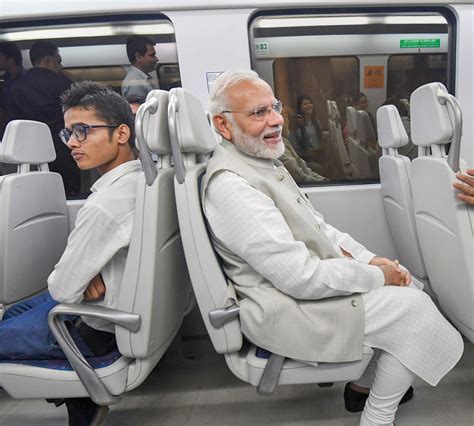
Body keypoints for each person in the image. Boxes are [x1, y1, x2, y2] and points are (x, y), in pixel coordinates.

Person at [203, 70, 463, 426]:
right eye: (258, 113)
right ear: (222, 124)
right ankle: (377, 417)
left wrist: (374, 261)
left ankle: (361, 389)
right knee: (415, 309)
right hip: (284, 309)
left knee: (411, 288)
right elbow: (298, 277)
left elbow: (321, 229)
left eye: (274, 108)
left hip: (297, 293)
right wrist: (376, 276)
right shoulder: (231, 185)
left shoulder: (260, 163)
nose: (276, 120)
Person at [0, 81, 140, 426]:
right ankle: (82, 401)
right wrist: (90, 271)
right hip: (95, 309)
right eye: (68, 133)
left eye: (83, 131)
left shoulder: (104, 206)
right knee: (13, 313)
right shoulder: (141, 182)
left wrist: (81, 275)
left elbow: (63, 289)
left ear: (121, 133)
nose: (73, 143)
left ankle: (80, 391)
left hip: (85, 326)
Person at [7, 40, 81, 196]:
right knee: (69, 194)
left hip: (27, 154)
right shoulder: (63, 84)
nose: (61, 67)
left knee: (37, 196)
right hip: (63, 149)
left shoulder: (15, 87)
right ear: (47, 61)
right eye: (58, 62)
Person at [279, 107, 327, 183]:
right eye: (287, 117)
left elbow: (303, 166)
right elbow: (299, 175)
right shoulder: (280, 147)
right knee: (319, 168)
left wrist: (323, 180)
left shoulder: (285, 140)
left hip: (302, 161)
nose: (289, 120)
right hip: (303, 159)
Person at [121, 35, 158, 103]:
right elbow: (138, 111)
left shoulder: (143, 79)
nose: (156, 59)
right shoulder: (134, 83)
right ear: (138, 57)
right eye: (152, 55)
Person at [0, 42, 25, 138]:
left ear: (10, 59)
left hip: (23, 127)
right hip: (6, 130)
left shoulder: (28, 79)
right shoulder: (3, 81)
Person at [294, 95, 325, 164]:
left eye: (310, 103)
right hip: (307, 159)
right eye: (305, 104)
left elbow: (321, 139)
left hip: (318, 156)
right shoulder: (298, 125)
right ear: (300, 108)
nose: (309, 105)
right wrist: (302, 127)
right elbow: (302, 145)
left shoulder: (316, 122)